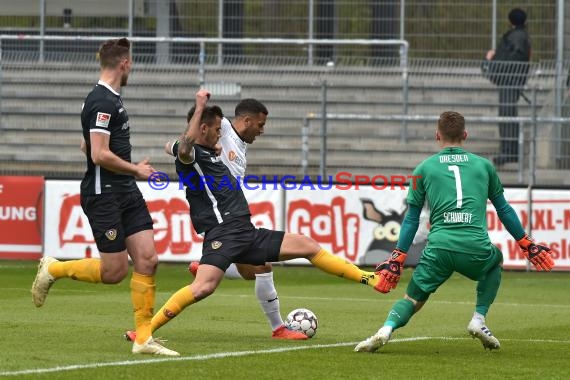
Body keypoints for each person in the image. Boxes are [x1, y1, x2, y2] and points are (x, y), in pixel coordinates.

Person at [126, 89, 385, 346]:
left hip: (244, 231)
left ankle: (371, 278)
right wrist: (199, 104)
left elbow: (182, 143)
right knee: (203, 287)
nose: (220, 134)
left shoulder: (212, 154)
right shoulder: (192, 157)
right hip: (224, 231)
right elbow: (183, 146)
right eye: (216, 130)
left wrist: (210, 143)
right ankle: (145, 331)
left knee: (306, 246)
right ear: (204, 129)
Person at [354, 111, 555, 353]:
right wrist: (526, 242)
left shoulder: (422, 170)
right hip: (475, 247)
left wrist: (397, 257)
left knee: (413, 299)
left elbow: (411, 218)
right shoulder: (484, 166)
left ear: (437, 135)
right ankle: (478, 319)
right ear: (465, 135)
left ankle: (386, 329)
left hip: (438, 248)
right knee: (495, 261)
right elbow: (503, 209)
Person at [31, 37, 179, 356]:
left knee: (148, 260)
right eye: (132, 62)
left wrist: (127, 171)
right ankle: (53, 268)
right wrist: (136, 169)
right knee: (114, 272)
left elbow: (86, 146)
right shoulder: (102, 101)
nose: (133, 67)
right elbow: (98, 154)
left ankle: (143, 338)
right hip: (104, 193)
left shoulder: (111, 99)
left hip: (125, 191)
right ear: (124, 63)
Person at [181, 99, 307, 340]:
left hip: (231, 218)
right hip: (221, 220)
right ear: (246, 120)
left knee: (253, 272)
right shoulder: (225, 128)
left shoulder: (239, 146)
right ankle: (278, 328)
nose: (262, 130)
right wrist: (175, 143)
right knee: (263, 267)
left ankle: (212, 267)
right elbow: (193, 133)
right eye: (260, 124)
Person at [483, 8, 531, 166]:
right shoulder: (522, 37)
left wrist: (489, 61)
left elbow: (507, 59)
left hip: (509, 81)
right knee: (509, 114)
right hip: (513, 80)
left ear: (510, 21)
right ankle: (511, 151)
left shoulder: (515, 38)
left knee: (506, 115)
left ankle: (509, 152)